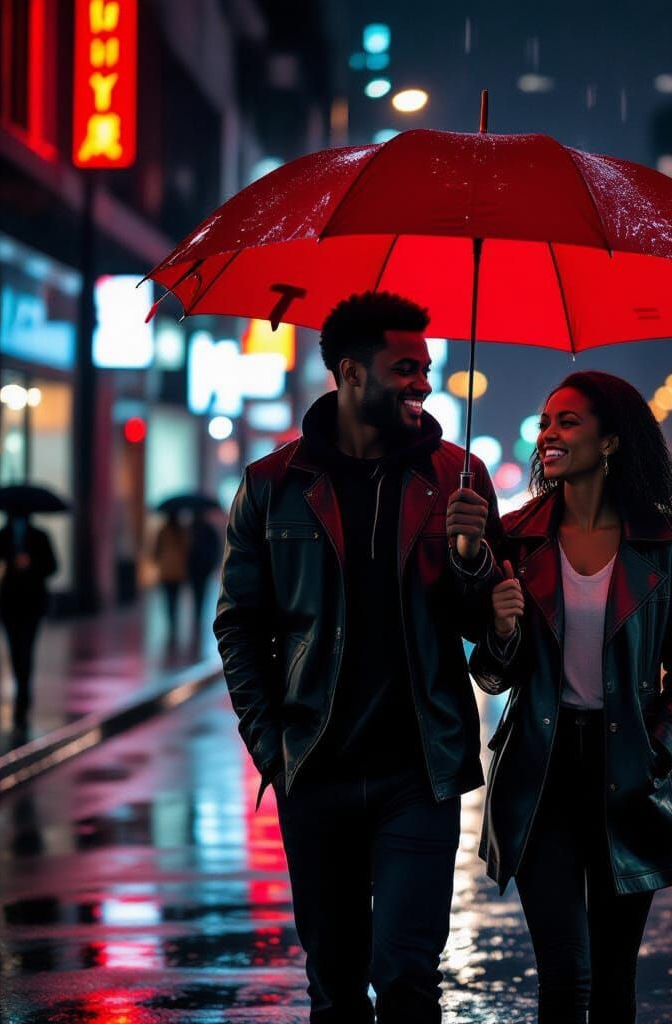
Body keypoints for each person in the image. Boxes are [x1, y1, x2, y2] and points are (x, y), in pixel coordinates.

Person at [214, 291, 501, 1024]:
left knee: (407, 980)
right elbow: (239, 626)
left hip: (420, 771)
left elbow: (491, 649)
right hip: (316, 768)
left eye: (427, 368)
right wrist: (270, 746)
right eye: (405, 368)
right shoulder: (273, 486)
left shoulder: (457, 479)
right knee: (336, 988)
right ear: (349, 373)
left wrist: (471, 558)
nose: (423, 383)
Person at [469, 371, 672, 1024]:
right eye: (546, 422)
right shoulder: (516, 537)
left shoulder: (667, 544)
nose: (548, 434)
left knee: (611, 984)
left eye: (568, 422)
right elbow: (492, 677)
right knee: (564, 979)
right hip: (539, 774)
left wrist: (658, 750)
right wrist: (497, 627)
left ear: (611, 442)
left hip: (629, 775)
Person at [0, 514, 58, 733]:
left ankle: (23, 691)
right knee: (15, 649)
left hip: (32, 602)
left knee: (26, 647)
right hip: (9, 602)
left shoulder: (40, 537)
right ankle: (21, 685)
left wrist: (31, 563)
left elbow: (52, 566)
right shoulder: (4, 536)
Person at [153, 510, 189, 644]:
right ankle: (174, 622)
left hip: (166, 571)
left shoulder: (163, 531)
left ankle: (171, 622)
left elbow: (156, 550)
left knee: (168, 599)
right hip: (179, 571)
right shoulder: (182, 531)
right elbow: (187, 549)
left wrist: (158, 559)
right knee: (176, 598)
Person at [187, 509, 222, 640]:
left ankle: (197, 614)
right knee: (200, 592)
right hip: (202, 567)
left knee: (198, 592)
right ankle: (198, 614)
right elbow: (215, 548)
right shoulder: (207, 530)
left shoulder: (191, 530)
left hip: (196, 568)